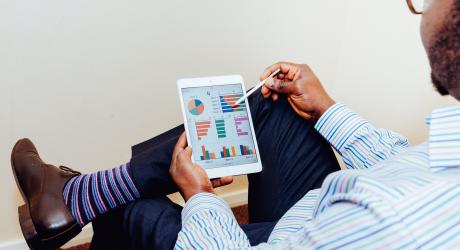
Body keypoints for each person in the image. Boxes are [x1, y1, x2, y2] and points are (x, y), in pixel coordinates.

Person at [10, 0, 460, 249]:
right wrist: (326, 108)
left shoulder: (395, 223)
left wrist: (201, 197)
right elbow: (408, 165)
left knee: (132, 209)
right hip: (318, 221)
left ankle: (79, 197)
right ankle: (69, 197)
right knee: (274, 103)